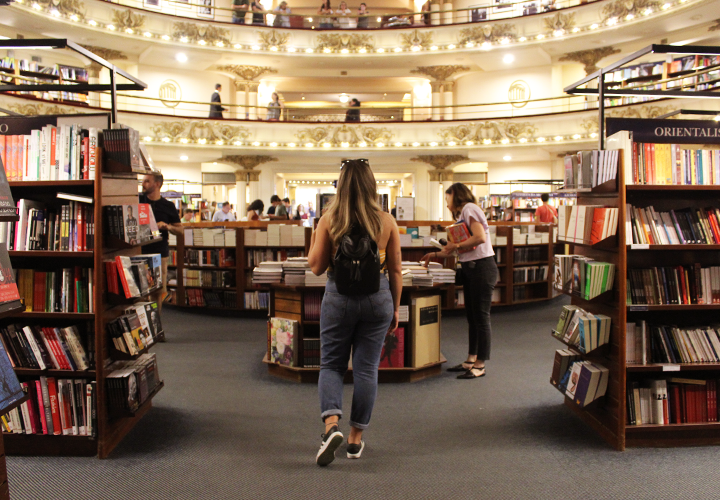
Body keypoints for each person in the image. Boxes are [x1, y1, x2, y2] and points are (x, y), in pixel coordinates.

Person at [308, 158, 401, 466]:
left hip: (338, 296)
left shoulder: (329, 219)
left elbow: (317, 266)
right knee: (365, 370)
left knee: (332, 366)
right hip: (378, 298)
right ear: (372, 185)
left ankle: (330, 426)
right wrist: (395, 309)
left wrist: (316, 234)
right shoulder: (386, 221)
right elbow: (397, 271)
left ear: (341, 186)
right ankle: (354, 440)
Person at [421, 183, 498, 379]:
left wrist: (455, 245)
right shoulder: (464, 214)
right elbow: (463, 248)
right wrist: (437, 253)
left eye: (447, 198)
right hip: (472, 268)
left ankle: (480, 365)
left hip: (482, 267)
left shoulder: (469, 208)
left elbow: (479, 238)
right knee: (472, 318)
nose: (446, 204)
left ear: (455, 195)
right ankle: (471, 359)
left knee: (481, 318)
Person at [140, 173, 183, 315]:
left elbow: (180, 230)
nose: (143, 184)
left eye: (147, 181)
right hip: (139, 249)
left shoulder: (168, 206)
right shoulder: (137, 200)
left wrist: (167, 227)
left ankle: (156, 321)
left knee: (157, 289)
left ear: (157, 184)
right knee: (140, 289)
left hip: (159, 251)